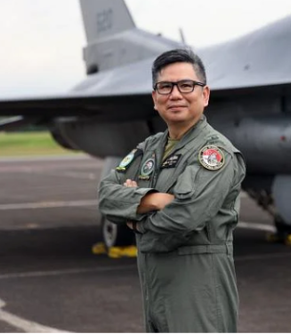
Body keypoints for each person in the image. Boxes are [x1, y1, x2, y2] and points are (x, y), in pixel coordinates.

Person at [98, 49, 246, 332]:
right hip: (154, 284)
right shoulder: (150, 147)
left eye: (186, 85)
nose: (175, 94)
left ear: (205, 95)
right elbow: (106, 195)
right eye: (165, 87)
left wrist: (134, 218)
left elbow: (185, 218)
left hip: (198, 285)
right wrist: (153, 200)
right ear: (155, 98)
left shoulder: (215, 153)